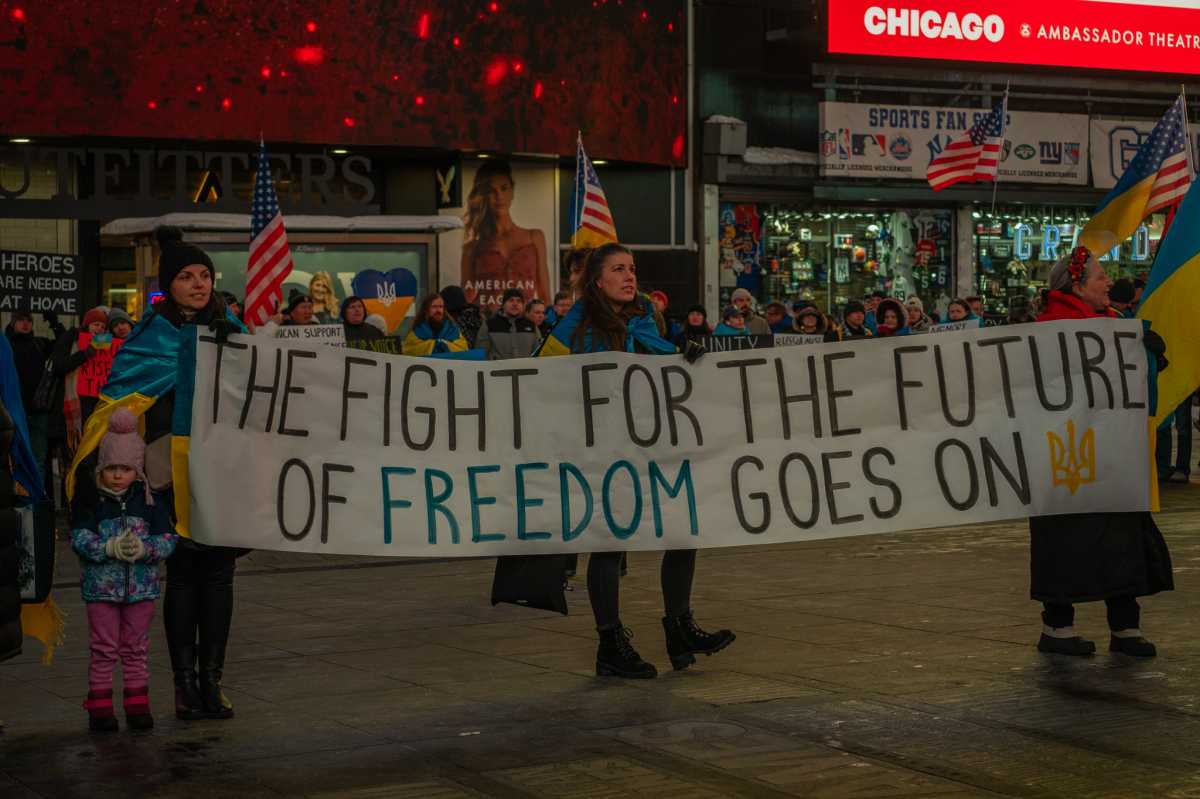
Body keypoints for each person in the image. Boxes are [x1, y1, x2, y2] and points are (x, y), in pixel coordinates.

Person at [68, 226, 247, 721]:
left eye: (205, 275)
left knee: (221, 577)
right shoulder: (149, 337)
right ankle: (185, 685)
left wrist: (238, 357)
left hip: (222, 471)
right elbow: (120, 402)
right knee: (185, 575)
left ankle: (214, 680)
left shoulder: (232, 328)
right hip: (169, 474)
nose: (198, 284)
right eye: (187, 276)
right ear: (170, 284)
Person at [537, 243, 733, 678]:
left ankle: (679, 628)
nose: (630, 276)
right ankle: (611, 645)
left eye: (633, 269)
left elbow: (661, 357)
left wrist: (688, 357)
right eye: (619, 269)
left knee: (684, 529)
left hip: (652, 441)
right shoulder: (579, 319)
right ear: (597, 279)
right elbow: (540, 370)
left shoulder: (645, 316)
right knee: (610, 542)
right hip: (602, 446)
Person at [1031, 245, 1172, 658]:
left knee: (1123, 535)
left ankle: (1125, 625)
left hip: (1116, 452)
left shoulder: (1117, 322)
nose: (1109, 282)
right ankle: (1057, 627)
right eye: (1100, 276)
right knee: (1065, 537)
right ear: (1077, 285)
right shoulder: (1049, 327)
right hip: (1066, 456)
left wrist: (1149, 352)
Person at [72, 409, 176, 733]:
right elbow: (79, 537)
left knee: (136, 647)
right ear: (101, 469)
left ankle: (137, 703)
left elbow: (168, 538)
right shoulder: (92, 502)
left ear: (137, 471)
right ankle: (100, 705)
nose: (118, 475)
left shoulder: (148, 502)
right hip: (101, 591)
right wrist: (106, 548)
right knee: (103, 648)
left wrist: (147, 549)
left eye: (126, 469)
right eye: (112, 468)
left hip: (141, 589)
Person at [461, 160, 549, 308]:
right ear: (484, 196)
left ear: (512, 190)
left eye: (504, 188)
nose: (499, 196)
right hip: (488, 323)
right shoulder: (472, 248)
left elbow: (544, 294)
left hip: (525, 325)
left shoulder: (535, 237)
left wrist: (547, 325)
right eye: (491, 191)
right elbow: (466, 298)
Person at [4, 311, 52, 482]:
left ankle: (34, 501)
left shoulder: (39, 344)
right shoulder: (5, 345)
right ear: (13, 323)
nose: (25, 324)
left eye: (28, 320)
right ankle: (16, 498)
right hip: (12, 411)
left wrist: (56, 324)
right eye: (20, 320)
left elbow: (62, 349)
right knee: (12, 457)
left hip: (37, 410)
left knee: (38, 458)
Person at [476, 288, 539, 360]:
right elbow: (481, 356)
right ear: (503, 305)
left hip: (526, 370)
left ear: (523, 305)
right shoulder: (489, 325)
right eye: (511, 300)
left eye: (519, 301)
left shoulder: (532, 326)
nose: (515, 304)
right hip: (497, 371)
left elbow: (539, 355)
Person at [402, 294, 469, 356]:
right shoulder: (416, 331)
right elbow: (408, 351)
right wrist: (434, 344)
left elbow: (463, 350)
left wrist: (445, 345)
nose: (438, 310)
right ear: (426, 310)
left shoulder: (453, 329)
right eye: (434, 307)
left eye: (440, 307)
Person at [1156, 394, 1193, 484]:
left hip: (1182, 383)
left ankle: (1181, 469)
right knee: (1162, 422)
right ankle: (1163, 467)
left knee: (1182, 425)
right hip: (1165, 383)